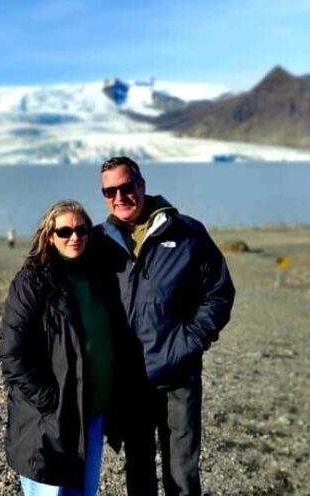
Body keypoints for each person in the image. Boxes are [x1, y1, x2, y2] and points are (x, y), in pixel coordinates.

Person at [95, 156, 235, 496]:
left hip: (178, 374)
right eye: (109, 191)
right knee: (138, 471)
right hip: (129, 380)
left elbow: (219, 293)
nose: (119, 197)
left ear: (142, 185)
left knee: (182, 473)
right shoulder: (100, 241)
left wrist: (190, 341)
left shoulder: (187, 233)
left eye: (126, 187)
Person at [0, 200, 121, 496]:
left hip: (91, 416)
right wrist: (52, 403)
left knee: (83, 491)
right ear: (50, 237)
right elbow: (13, 355)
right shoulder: (32, 282)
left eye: (81, 230)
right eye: (64, 231)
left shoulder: (97, 278)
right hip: (51, 417)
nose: (74, 237)